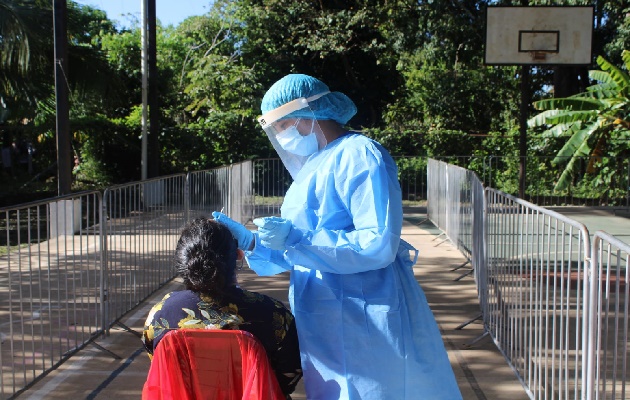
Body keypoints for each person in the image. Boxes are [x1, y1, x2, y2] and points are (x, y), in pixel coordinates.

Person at [213, 74, 462, 399]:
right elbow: (295, 253)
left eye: (282, 125)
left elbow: (378, 244)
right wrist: (253, 243)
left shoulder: (361, 155)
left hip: (368, 313)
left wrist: (295, 241)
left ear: (307, 113)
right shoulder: (312, 168)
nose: (279, 135)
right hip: (322, 316)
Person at [141, 217, 302, 397]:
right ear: (239, 255)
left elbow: (161, 368)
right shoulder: (273, 314)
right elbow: (288, 376)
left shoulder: (160, 315)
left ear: (183, 261)